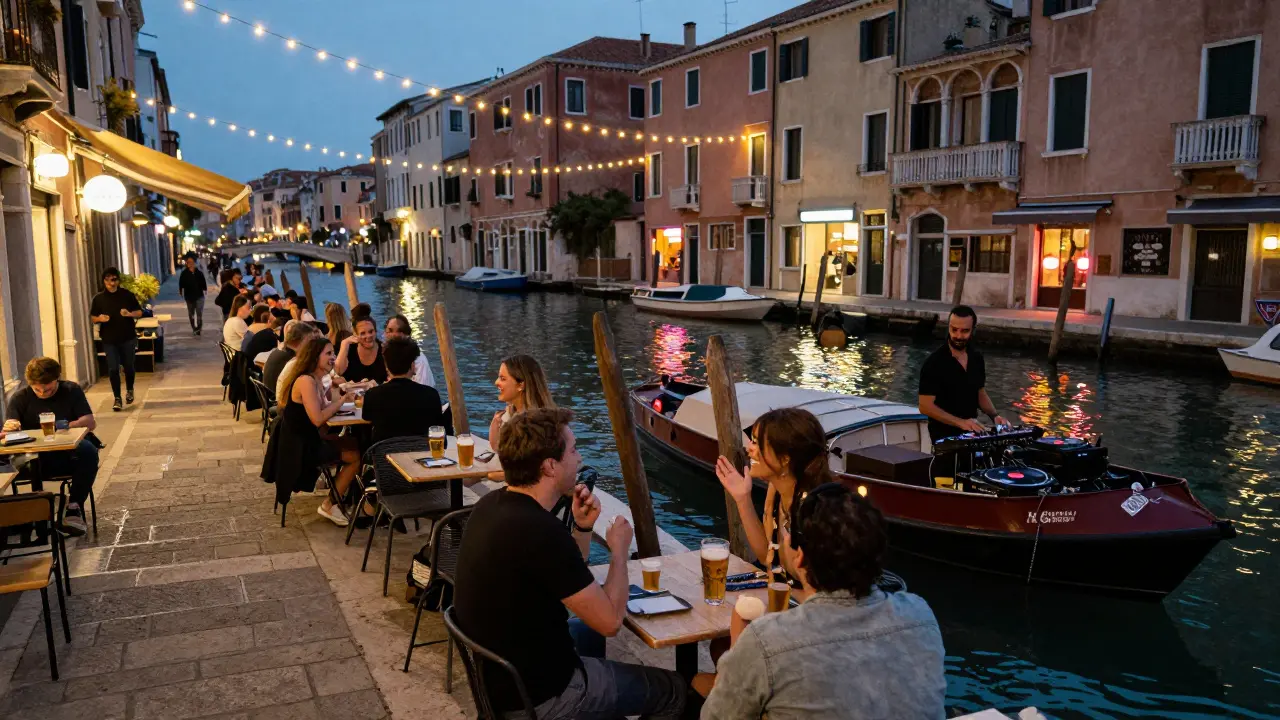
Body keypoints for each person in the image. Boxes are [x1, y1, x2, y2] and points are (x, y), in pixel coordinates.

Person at [454, 408, 686, 720]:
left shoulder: (491, 507)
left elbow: (568, 577)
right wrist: (619, 551)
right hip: (543, 698)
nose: (579, 459)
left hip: (502, 684)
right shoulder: (539, 531)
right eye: (573, 450)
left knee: (586, 634)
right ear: (550, 466)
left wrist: (582, 528)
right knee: (672, 691)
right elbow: (610, 622)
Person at [701, 483, 947, 720]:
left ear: (800, 559)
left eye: (788, 531)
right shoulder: (921, 617)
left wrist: (737, 643)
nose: (784, 537)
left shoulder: (767, 641)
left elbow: (716, 716)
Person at [715, 408, 831, 580]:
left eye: (756, 442)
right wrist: (742, 499)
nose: (749, 448)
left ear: (784, 458)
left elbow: (817, 592)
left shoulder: (814, 512)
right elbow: (767, 557)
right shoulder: (776, 491)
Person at [261, 336, 360, 526]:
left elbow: (325, 406)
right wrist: (341, 401)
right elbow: (318, 418)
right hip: (301, 448)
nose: (333, 357)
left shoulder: (315, 378)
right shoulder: (306, 381)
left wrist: (333, 388)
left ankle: (344, 496)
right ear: (315, 356)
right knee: (356, 456)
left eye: (333, 353)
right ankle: (330, 504)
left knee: (356, 442)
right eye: (329, 353)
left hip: (306, 439)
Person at [2, 358, 99, 535]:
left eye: (48, 388)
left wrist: (65, 426)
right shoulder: (20, 397)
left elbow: (89, 422)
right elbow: (11, 423)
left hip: (66, 456)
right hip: (32, 459)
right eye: (37, 389)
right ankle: (14, 515)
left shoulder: (71, 390)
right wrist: (10, 427)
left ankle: (73, 506)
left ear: (57, 379)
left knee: (88, 451)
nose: (42, 392)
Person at [918, 305, 1007, 442]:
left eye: (965, 331)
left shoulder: (976, 358)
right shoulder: (934, 363)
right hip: (945, 439)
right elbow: (925, 406)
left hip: (972, 434)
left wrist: (995, 416)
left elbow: (980, 393)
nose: (958, 336)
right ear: (948, 327)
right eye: (954, 330)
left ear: (973, 330)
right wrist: (961, 422)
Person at [361, 337, 448, 445]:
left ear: (386, 366)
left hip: (383, 457)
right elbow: (442, 439)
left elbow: (367, 418)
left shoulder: (372, 395)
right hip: (421, 457)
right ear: (412, 366)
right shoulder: (431, 394)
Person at [89, 267, 142, 412]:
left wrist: (129, 314)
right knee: (112, 369)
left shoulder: (127, 295)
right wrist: (100, 318)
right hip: (109, 339)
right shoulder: (99, 299)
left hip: (127, 337)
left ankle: (130, 389)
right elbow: (93, 317)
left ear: (118, 281)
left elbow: (139, 312)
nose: (111, 283)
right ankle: (117, 398)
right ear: (104, 281)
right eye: (107, 279)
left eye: (113, 279)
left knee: (129, 366)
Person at [488, 354, 554, 447]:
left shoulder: (535, 427)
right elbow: (498, 448)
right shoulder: (509, 414)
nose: (496, 382)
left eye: (503, 379)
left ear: (521, 385)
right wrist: (495, 426)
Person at [384, 314, 435, 387]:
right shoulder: (386, 355)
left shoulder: (419, 360)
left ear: (405, 335)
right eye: (389, 331)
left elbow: (424, 390)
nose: (392, 335)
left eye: (398, 331)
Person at [334, 316, 387, 385]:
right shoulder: (350, 349)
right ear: (355, 334)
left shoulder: (384, 349)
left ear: (375, 331)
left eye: (371, 331)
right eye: (363, 333)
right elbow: (338, 371)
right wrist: (344, 343)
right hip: (353, 394)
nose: (368, 336)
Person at [265, 320, 310, 396]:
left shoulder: (281, 350)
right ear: (300, 340)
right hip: (277, 397)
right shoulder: (292, 358)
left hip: (270, 393)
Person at [178, 253, 208, 336]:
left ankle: (198, 328)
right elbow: (181, 284)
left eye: (191, 262)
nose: (190, 264)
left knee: (199, 313)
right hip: (189, 297)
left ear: (194, 263)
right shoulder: (184, 273)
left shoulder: (199, 273)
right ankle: (194, 328)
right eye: (188, 262)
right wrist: (181, 291)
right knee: (191, 314)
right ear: (186, 263)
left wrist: (205, 290)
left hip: (199, 296)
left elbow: (203, 282)